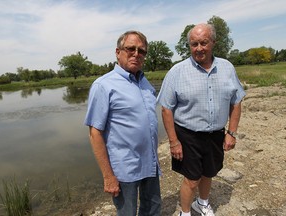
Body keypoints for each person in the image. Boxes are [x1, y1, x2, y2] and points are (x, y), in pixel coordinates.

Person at [157, 23, 246, 216]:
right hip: (188, 135)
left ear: (213, 42)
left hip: (216, 134)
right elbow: (166, 109)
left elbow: (236, 101)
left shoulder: (227, 68)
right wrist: (173, 142)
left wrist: (231, 133)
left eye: (203, 43)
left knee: (209, 172)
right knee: (192, 178)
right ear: (189, 45)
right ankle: (186, 212)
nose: (199, 48)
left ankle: (202, 203)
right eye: (194, 44)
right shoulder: (177, 71)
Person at [84, 30, 161, 216]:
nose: (136, 54)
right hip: (124, 168)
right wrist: (108, 176)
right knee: (127, 213)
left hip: (150, 162)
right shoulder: (103, 86)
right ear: (118, 52)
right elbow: (95, 133)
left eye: (141, 51)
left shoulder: (145, 83)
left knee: (153, 209)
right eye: (130, 49)